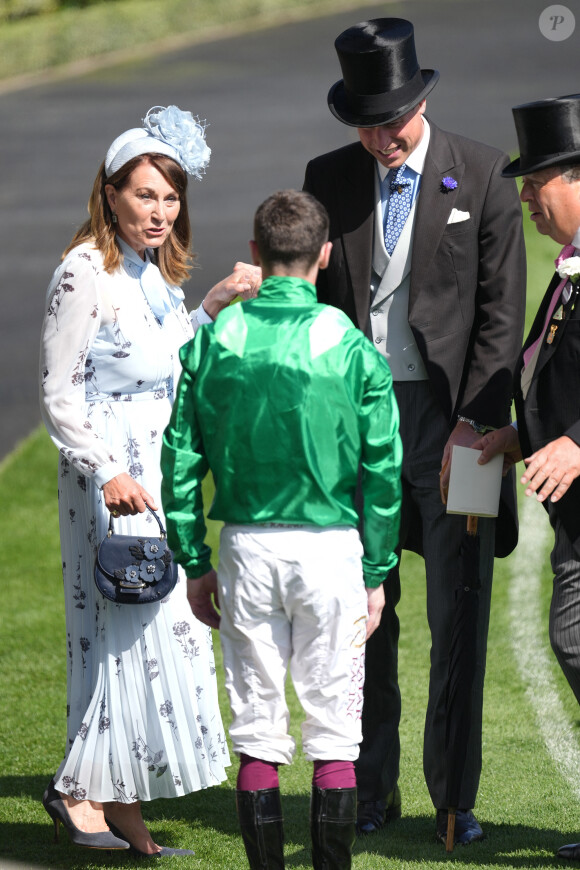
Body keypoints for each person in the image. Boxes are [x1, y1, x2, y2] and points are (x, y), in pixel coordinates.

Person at [302, 18, 526, 844]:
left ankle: (452, 801)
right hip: (358, 430)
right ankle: (370, 790)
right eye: (364, 123)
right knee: (361, 619)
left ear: (421, 101)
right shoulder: (329, 176)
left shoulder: (485, 174)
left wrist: (477, 426)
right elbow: (321, 311)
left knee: (459, 617)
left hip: (459, 426)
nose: (379, 137)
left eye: (389, 121)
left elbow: (501, 318)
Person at [39, 104, 261, 857]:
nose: (160, 211)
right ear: (109, 194)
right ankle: (77, 790)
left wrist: (211, 305)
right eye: (145, 195)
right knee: (129, 629)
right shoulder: (83, 272)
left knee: (153, 639)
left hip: (154, 474)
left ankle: (123, 804)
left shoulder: (149, 274)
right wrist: (106, 472)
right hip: (111, 482)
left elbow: (160, 357)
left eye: (171, 197)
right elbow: (60, 392)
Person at [161, 189, 402, 869]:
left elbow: (179, 457)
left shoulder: (216, 339)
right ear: (325, 255)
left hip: (246, 545)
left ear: (255, 254)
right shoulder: (349, 344)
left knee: (259, 725)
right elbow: (383, 469)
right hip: (330, 549)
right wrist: (377, 572)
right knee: (333, 727)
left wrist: (194, 559)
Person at [474, 94, 580, 863]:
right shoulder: (567, 275)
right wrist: (526, 435)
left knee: (573, 637)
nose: (524, 198)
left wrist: (578, 444)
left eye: (534, 179)